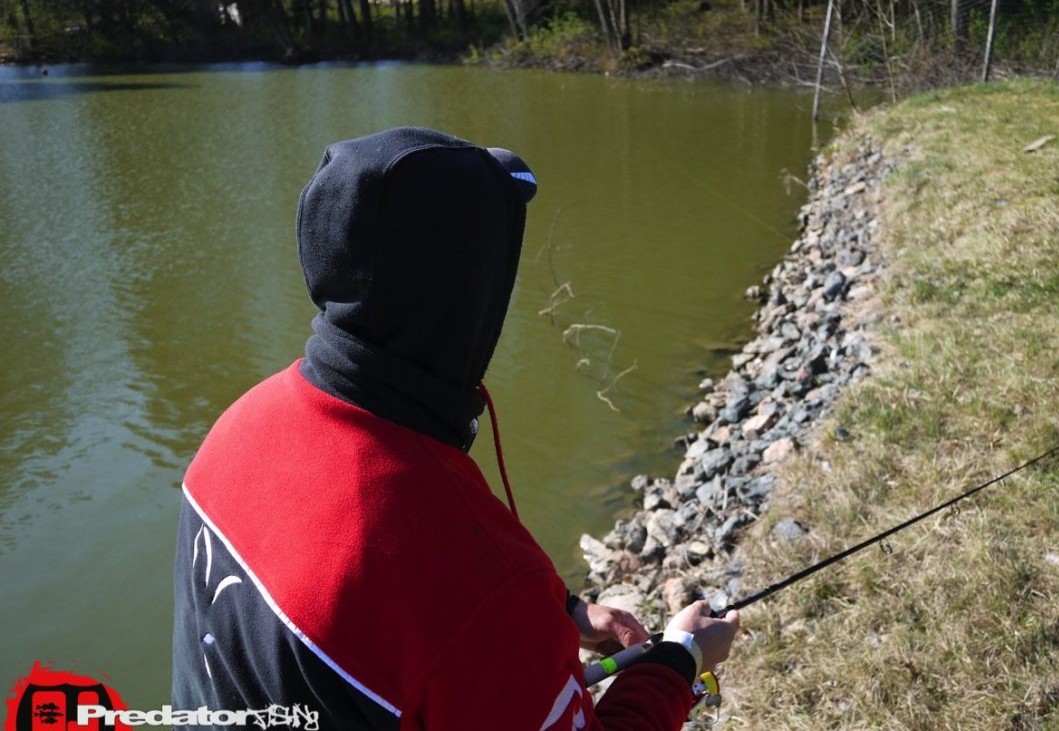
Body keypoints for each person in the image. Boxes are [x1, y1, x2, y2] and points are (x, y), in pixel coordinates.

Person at [171, 127, 741, 730]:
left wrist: (562, 610)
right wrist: (680, 661)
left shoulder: (238, 429)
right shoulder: (475, 586)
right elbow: (446, 597)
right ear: (472, 294)